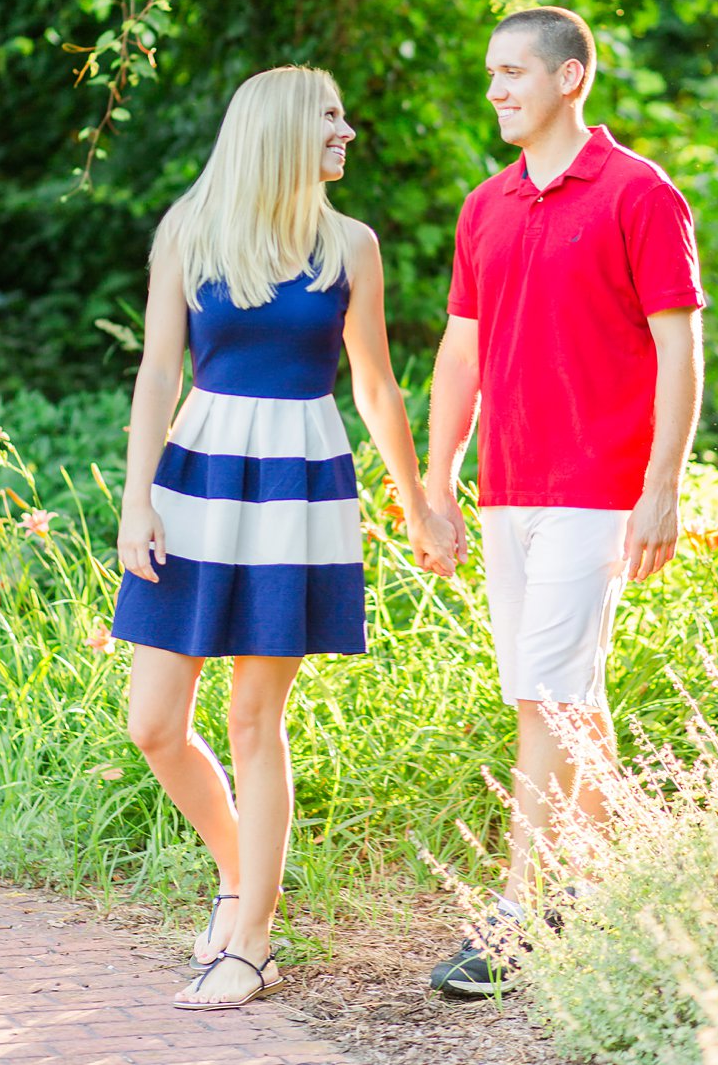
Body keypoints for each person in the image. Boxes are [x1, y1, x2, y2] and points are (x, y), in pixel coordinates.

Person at [111, 66, 449, 1010]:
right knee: (153, 723)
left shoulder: (352, 244)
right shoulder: (190, 229)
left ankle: (252, 943)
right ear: (280, 130)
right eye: (330, 117)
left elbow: (376, 386)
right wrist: (137, 500)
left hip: (300, 483)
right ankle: (239, 875)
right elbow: (156, 374)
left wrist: (418, 500)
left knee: (256, 719)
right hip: (199, 475)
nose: (347, 130)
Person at [420, 6, 705, 1000]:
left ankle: (511, 916)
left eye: (513, 73)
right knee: (569, 688)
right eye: (491, 72)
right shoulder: (485, 205)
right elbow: (459, 350)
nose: (496, 89)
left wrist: (660, 484)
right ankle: (601, 886)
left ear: (570, 76)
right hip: (508, 486)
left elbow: (678, 347)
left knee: (539, 691)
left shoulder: (639, 193)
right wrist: (437, 475)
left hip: (597, 486)